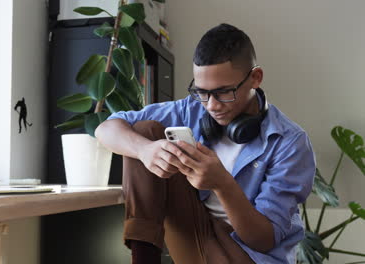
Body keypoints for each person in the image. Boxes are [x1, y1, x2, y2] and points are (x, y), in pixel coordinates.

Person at [95, 23, 315, 264]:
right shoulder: (190, 110)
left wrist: (223, 184)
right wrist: (145, 150)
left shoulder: (289, 142)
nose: (211, 105)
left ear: (255, 78)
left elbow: (264, 240)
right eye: (202, 92)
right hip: (195, 232)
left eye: (223, 92)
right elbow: (106, 128)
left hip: (248, 255)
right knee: (145, 132)